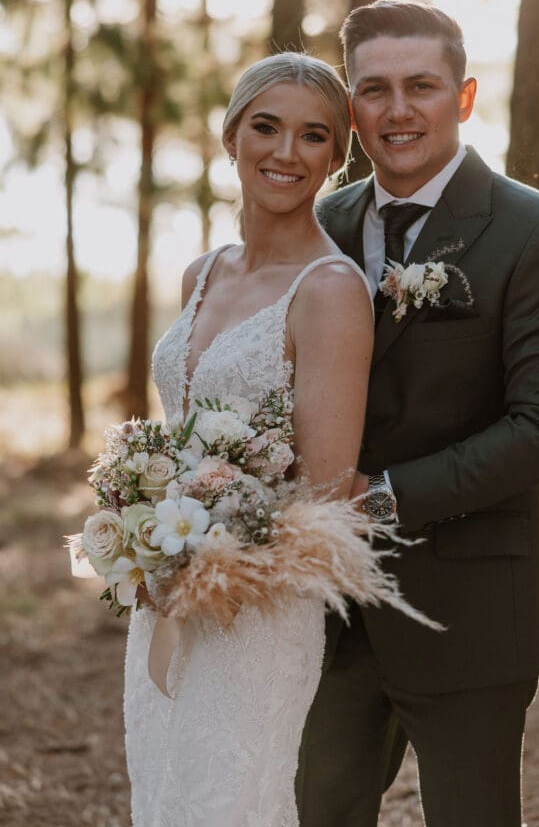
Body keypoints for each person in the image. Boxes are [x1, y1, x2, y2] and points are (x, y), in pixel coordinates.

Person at [296, 0, 539, 827]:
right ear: (350, 105)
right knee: (311, 810)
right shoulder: (315, 226)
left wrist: (380, 498)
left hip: (471, 599)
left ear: (462, 98)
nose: (397, 110)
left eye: (421, 86)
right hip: (326, 610)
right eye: (374, 90)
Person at [123, 52, 375, 827]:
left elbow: (327, 494)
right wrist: (145, 526)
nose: (285, 152)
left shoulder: (330, 292)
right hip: (162, 589)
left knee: (227, 800)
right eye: (265, 127)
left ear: (335, 158)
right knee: (162, 788)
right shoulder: (202, 271)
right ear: (230, 136)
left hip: (255, 614)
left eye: (312, 136)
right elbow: (175, 434)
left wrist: (216, 554)